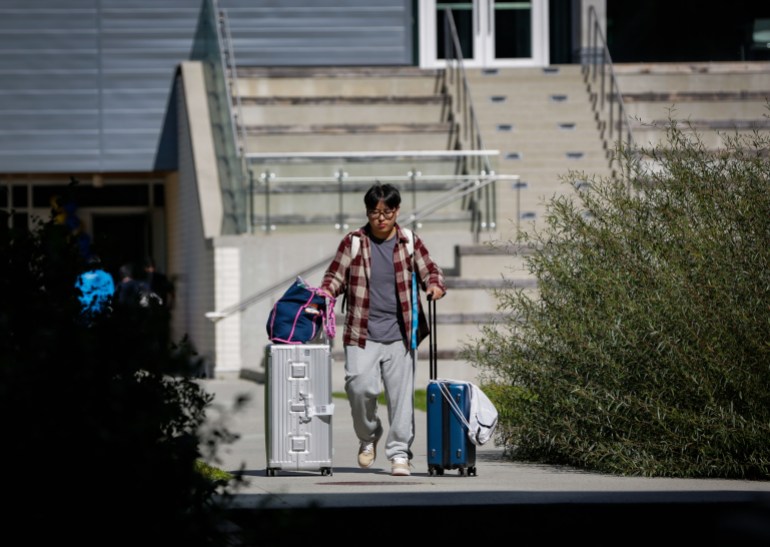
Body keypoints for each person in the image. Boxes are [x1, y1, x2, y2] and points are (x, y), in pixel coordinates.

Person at [320, 182, 446, 476]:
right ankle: (369, 436)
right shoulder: (353, 241)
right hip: (360, 333)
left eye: (387, 212)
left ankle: (400, 453)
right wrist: (326, 293)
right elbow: (334, 276)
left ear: (396, 211)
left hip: (401, 334)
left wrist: (434, 285)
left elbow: (430, 268)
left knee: (401, 398)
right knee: (359, 387)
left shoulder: (409, 241)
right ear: (367, 212)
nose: (381, 218)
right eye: (375, 212)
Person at [74, 254, 115, 324]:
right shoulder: (107, 276)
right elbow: (112, 293)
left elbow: (76, 293)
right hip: (103, 313)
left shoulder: (81, 277)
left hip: (85, 313)